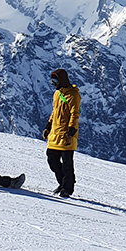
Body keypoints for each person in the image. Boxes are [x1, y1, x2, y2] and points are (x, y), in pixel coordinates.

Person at [43, 68, 81, 197]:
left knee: (67, 164)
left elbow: (74, 113)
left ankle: (67, 188)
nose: (53, 84)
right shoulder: (57, 94)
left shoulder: (73, 94)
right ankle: (63, 182)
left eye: (55, 81)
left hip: (67, 134)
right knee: (52, 160)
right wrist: (48, 127)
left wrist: (71, 130)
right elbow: (55, 111)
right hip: (55, 133)